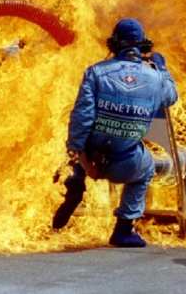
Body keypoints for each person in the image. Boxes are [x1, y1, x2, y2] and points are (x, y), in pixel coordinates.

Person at [52, 18, 178, 247]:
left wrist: (77, 154)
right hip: (125, 162)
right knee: (147, 168)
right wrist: (162, 69)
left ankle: (74, 186)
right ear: (142, 46)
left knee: (70, 152)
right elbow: (171, 97)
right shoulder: (155, 77)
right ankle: (123, 229)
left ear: (114, 44)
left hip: (89, 156)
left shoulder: (96, 72)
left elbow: (82, 116)